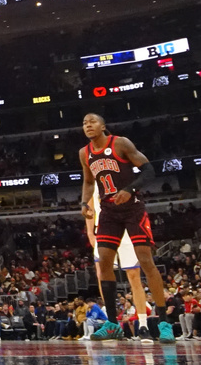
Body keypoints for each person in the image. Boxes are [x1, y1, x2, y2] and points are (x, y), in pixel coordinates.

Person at [80, 113, 174, 342]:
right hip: (109, 212)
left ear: (103, 125)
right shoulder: (85, 153)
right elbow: (89, 181)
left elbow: (149, 170)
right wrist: (84, 203)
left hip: (132, 208)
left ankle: (164, 322)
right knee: (103, 262)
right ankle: (112, 323)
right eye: (84, 123)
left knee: (145, 260)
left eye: (92, 121)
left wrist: (130, 189)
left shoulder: (120, 143)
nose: (88, 125)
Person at [84, 187, 153, 343]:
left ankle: (143, 325)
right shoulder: (92, 173)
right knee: (102, 273)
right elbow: (89, 204)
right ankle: (112, 323)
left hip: (127, 227)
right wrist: (90, 232)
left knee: (134, 275)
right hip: (103, 228)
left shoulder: (123, 168)